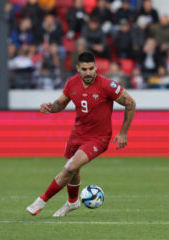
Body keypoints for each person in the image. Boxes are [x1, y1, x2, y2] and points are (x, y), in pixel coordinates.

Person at [26, 51, 136, 217]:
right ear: (78, 68)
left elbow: (130, 102)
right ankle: (72, 202)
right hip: (77, 134)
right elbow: (60, 104)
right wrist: (50, 108)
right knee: (74, 170)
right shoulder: (72, 83)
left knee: (70, 166)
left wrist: (123, 133)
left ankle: (41, 201)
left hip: (98, 138)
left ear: (96, 67)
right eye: (84, 69)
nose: (88, 72)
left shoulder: (106, 85)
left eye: (91, 68)